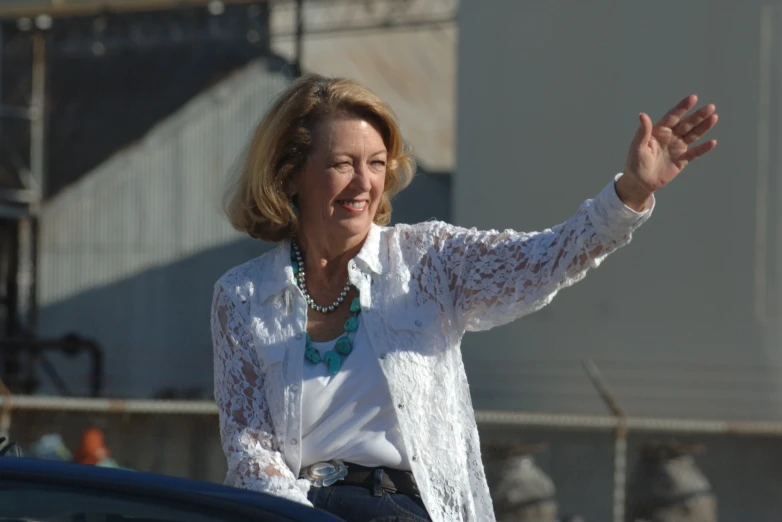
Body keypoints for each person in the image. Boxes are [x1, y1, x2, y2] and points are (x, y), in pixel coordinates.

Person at [210, 74, 718, 522]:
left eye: (376, 163)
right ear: (289, 174)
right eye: (342, 163)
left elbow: (543, 259)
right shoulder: (241, 295)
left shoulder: (429, 259)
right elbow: (250, 449)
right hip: (299, 510)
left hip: (409, 508)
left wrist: (628, 192)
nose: (364, 182)